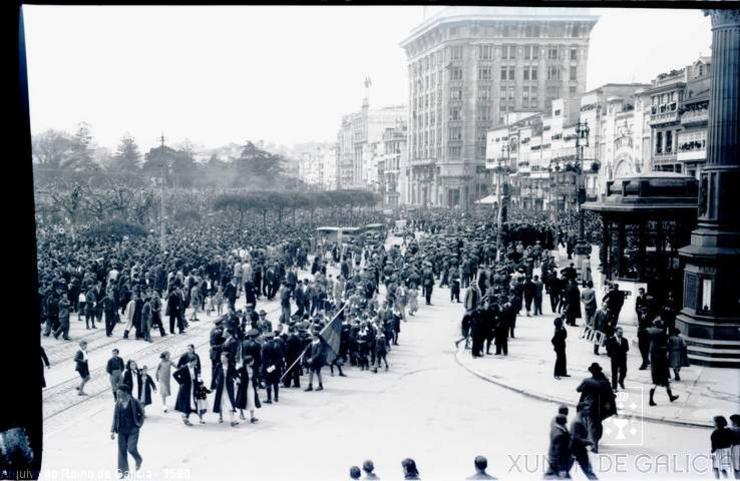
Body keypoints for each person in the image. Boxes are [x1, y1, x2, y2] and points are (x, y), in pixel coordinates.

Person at [575, 362, 616, 454]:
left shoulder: (587, 381)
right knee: (595, 423)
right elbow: (609, 394)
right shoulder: (605, 381)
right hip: (602, 407)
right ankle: (592, 440)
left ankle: (594, 445)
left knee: (591, 424)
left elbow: (578, 389)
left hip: (589, 406)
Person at [110, 383, 144, 479]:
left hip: (133, 430)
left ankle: (138, 459)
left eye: (119, 392)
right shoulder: (118, 403)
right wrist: (112, 431)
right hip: (121, 431)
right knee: (121, 451)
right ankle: (123, 472)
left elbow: (141, 414)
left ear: (126, 392)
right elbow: (115, 417)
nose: (118, 394)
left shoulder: (134, 402)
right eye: (117, 393)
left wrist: (139, 425)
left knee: (131, 448)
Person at [647, 320, 679, 406]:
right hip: (661, 365)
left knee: (663, 383)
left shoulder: (651, 332)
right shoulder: (661, 333)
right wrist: (667, 347)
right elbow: (665, 345)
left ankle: (671, 397)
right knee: (659, 383)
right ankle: (651, 400)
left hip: (655, 364)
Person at [569, 410, 598, 479]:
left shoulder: (581, 419)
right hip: (577, 450)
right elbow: (576, 438)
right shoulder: (577, 422)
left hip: (575, 450)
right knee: (588, 472)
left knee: (564, 471)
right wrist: (589, 442)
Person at [212, 352, 238, 426]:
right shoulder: (218, 365)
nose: (221, 359)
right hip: (220, 387)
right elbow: (214, 376)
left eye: (223, 357)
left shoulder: (231, 365)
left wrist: (237, 379)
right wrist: (212, 386)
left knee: (230, 402)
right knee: (220, 402)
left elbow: (235, 374)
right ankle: (220, 417)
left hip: (228, 387)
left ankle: (232, 420)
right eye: (221, 357)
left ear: (227, 358)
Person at [173, 358, 198, 426]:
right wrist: (181, 382)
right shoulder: (184, 368)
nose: (196, 363)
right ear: (191, 361)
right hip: (185, 388)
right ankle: (185, 418)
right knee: (186, 403)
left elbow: (195, 378)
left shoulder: (195, 368)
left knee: (190, 403)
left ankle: (185, 417)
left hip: (192, 388)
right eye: (195, 362)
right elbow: (175, 374)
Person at [545, 414, 571, 479]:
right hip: (558, 463)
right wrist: (562, 469)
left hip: (552, 459)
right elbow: (559, 453)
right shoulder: (560, 435)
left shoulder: (554, 429)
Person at [605, 327, 629, 391]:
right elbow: (608, 348)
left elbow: (627, 348)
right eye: (620, 332)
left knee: (623, 371)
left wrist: (621, 350)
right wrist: (612, 355)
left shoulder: (625, 340)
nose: (621, 334)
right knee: (614, 373)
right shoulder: (611, 339)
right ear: (616, 332)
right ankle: (614, 387)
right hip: (615, 358)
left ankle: (621, 381)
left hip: (623, 358)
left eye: (622, 332)